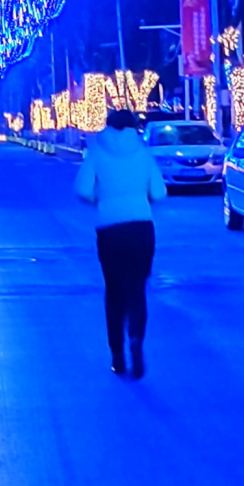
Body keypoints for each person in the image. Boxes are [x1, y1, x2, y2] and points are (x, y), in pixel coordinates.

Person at [74, 109, 168, 378]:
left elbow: (81, 188)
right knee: (137, 289)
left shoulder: (97, 151)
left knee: (114, 292)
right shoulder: (143, 152)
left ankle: (117, 354)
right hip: (141, 228)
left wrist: (102, 200)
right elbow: (159, 192)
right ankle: (136, 338)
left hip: (110, 230)